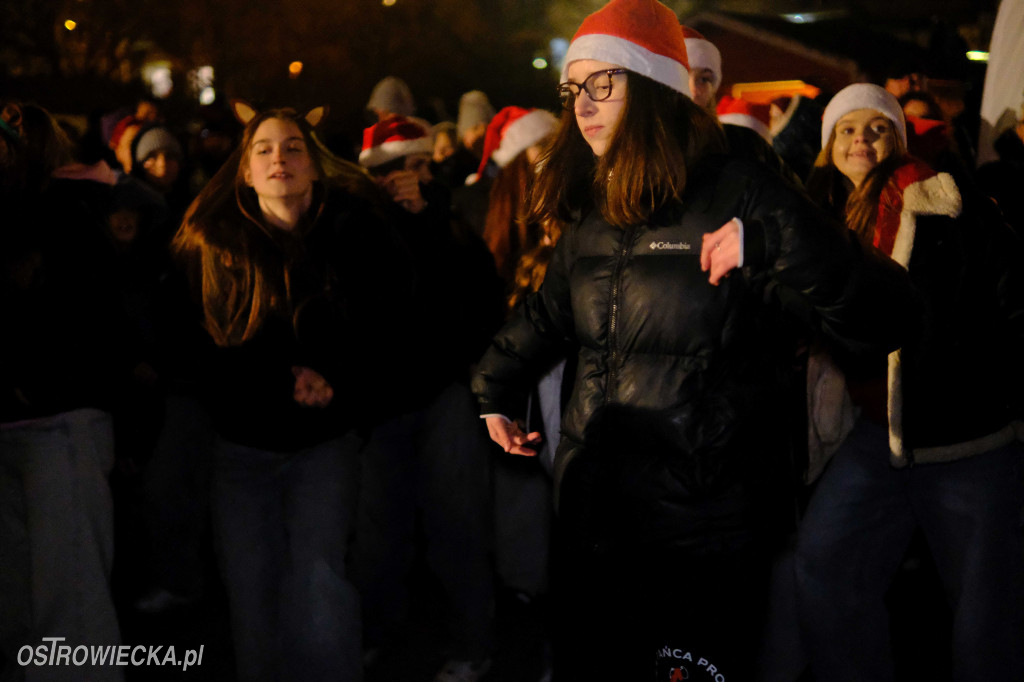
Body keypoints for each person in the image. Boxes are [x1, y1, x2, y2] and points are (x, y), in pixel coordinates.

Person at [471, 1, 916, 677]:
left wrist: (771, 245)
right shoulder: (596, 205)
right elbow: (546, 315)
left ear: (652, 88)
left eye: (603, 83)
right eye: (572, 89)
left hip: (704, 531)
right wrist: (493, 389)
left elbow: (887, 316)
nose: (582, 104)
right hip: (599, 525)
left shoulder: (741, 189)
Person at [170, 101, 408, 682]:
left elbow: (386, 327)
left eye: (293, 146)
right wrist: (278, 379)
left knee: (321, 578)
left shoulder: (354, 238)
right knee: (252, 589)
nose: (280, 157)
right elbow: (192, 348)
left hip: (323, 444)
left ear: (316, 164)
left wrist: (337, 382)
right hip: (241, 449)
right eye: (264, 149)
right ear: (246, 172)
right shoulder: (214, 245)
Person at [797, 82, 1024, 682]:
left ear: (897, 139)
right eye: (847, 128)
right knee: (823, 564)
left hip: (966, 439)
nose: (861, 138)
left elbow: (1011, 288)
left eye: (877, 127)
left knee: (985, 617)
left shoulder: (943, 199)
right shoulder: (821, 215)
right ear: (828, 144)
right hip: (877, 436)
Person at [352, 114, 503, 682]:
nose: (409, 179)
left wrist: (431, 221)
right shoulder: (357, 224)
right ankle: (378, 633)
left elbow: (479, 298)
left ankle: (472, 642)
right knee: (377, 535)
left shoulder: (450, 221)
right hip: (379, 399)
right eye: (396, 171)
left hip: (442, 392)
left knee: (456, 522)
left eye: (418, 168)